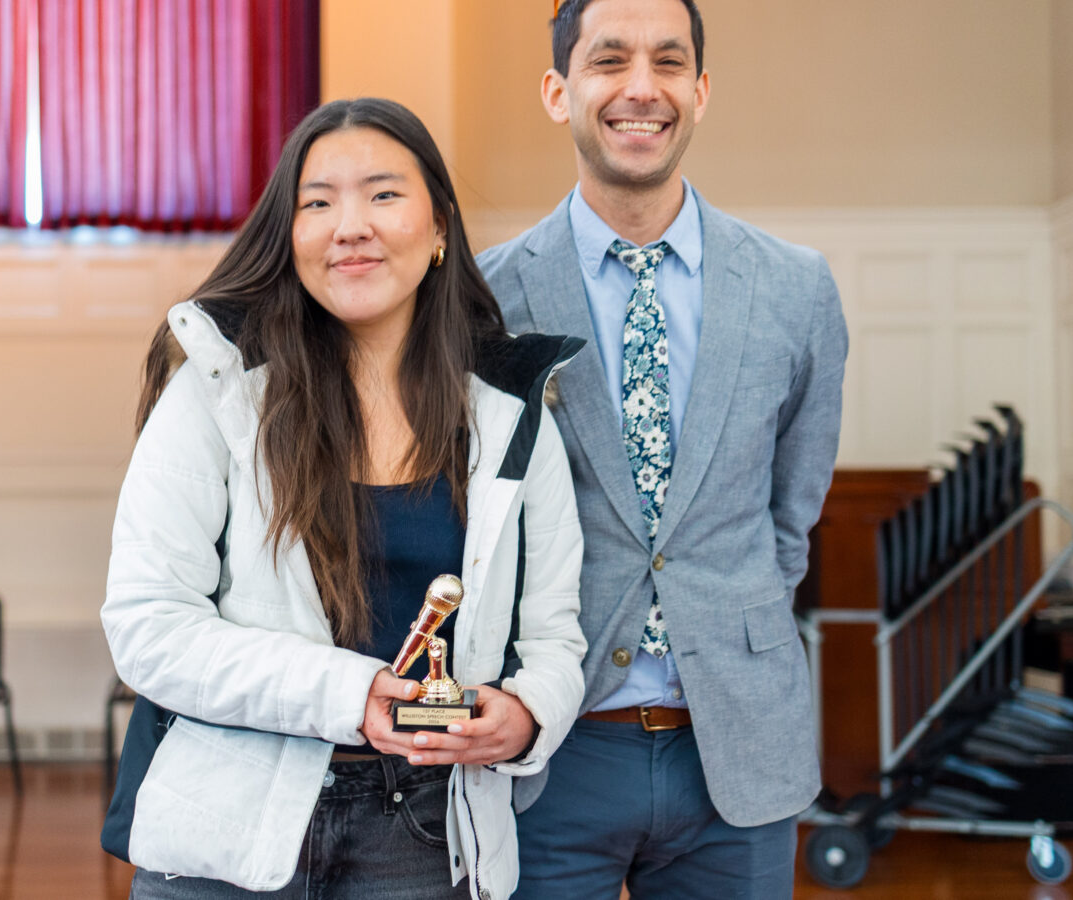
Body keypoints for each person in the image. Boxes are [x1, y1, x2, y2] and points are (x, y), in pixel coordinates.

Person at [100, 97, 587, 900]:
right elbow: (148, 626)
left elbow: (555, 638)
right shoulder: (215, 394)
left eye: (383, 194)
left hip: (430, 838)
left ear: (438, 230)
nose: (348, 225)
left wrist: (527, 713)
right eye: (317, 202)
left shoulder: (510, 413)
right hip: (232, 829)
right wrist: (351, 695)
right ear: (289, 239)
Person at [477, 0, 849, 896]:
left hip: (738, 749)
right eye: (610, 60)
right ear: (558, 91)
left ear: (702, 89)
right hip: (550, 756)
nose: (641, 88)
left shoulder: (797, 290)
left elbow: (791, 514)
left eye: (669, 62)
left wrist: (729, 617)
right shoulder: (487, 300)